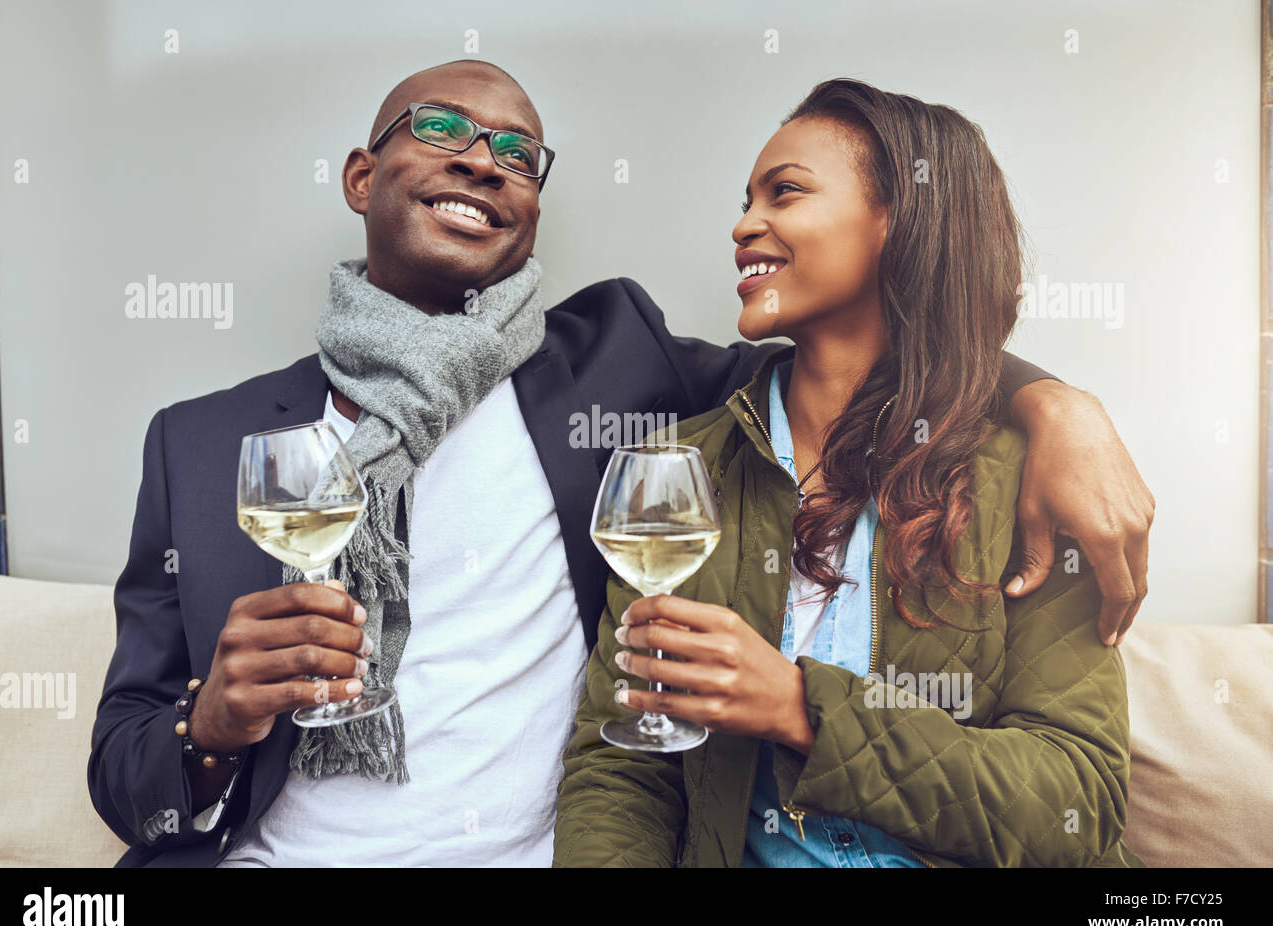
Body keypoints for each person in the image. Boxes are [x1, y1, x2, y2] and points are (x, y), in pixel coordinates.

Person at [89, 61, 1151, 867]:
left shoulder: (615, 374)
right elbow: (126, 773)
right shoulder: (202, 441)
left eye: (517, 154)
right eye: (444, 129)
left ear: (534, 207)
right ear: (364, 175)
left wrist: (1061, 404)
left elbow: (888, 358)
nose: (481, 160)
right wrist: (209, 728)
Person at [554, 78, 1143, 867]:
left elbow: (1076, 800)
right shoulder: (680, 469)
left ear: (899, 224)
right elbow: (622, 769)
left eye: (784, 193)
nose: (743, 224)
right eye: (747, 198)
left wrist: (804, 710)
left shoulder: (1029, 476)